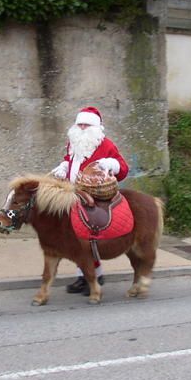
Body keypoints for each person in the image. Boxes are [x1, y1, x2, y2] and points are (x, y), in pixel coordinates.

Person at [51, 106, 129, 293]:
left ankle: (95, 275)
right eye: (80, 124)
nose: (82, 127)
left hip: (94, 195)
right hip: (72, 195)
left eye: (86, 124)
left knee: (86, 238)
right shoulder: (73, 142)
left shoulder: (106, 145)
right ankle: (83, 276)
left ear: (95, 127)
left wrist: (109, 164)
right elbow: (69, 159)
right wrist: (63, 167)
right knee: (73, 239)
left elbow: (123, 168)